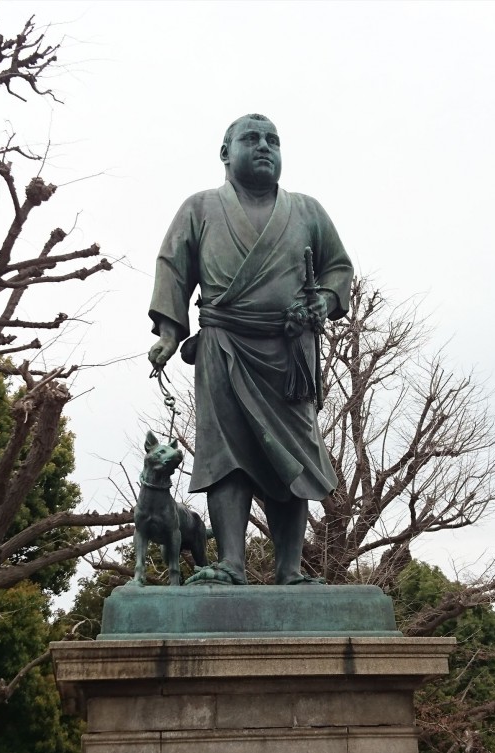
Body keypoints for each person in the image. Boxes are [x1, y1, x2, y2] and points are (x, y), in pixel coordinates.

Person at [148, 114, 353, 585]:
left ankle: (290, 569)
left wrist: (323, 299)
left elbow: (338, 269)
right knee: (226, 454)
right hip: (223, 345)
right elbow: (173, 269)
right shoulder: (199, 208)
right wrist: (168, 331)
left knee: (293, 455)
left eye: (273, 140)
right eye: (251, 138)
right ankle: (231, 564)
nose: (264, 146)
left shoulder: (307, 211)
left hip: (290, 350)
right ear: (225, 152)